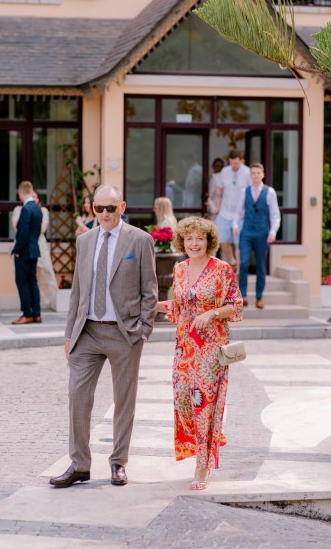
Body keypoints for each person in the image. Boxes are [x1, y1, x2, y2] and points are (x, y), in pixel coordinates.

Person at [49, 184, 158, 489]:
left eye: (111, 208)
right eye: (100, 209)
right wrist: (69, 333)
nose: (106, 214)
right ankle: (80, 465)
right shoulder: (84, 241)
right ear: (92, 209)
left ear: (122, 206)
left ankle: (118, 463)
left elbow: (149, 291)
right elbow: (78, 292)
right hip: (88, 332)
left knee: (124, 401)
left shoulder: (140, 240)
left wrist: (143, 332)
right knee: (77, 397)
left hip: (124, 333)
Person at [156, 216, 242, 491]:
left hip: (211, 347)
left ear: (209, 241)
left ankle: (202, 464)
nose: (194, 243)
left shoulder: (221, 269)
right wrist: (149, 305)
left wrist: (212, 313)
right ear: (183, 241)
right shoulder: (179, 269)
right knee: (182, 399)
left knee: (202, 403)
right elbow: (180, 307)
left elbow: (236, 304)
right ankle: (209, 437)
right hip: (184, 345)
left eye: (200, 238)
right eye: (189, 238)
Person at [233, 163, 281, 309]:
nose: (255, 175)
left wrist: (273, 232)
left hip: (262, 232)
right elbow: (238, 211)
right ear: (250, 175)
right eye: (253, 173)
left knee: (260, 265)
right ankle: (243, 296)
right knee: (244, 263)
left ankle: (259, 297)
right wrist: (235, 225)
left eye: (258, 173)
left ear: (263, 174)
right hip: (246, 231)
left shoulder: (270, 192)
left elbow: (275, 214)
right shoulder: (244, 191)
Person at [12, 191, 57, 310]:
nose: (34, 198)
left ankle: (30, 310)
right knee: (31, 279)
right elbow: (17, 228)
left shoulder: (37, 210)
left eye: (36, 196)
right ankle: (35, 311)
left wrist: (17, 250)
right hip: (31, 246)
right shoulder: (21, 209)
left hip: (32, 246)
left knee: (29, 279)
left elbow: (27, 231)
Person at [213, 149, 251, 271]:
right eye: (231, 163)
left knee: (239, 243)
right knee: (222, 239)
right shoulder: (225, 171)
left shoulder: (247, 172)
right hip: (224, 211)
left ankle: (239, 270)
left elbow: (250, 193)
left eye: (236, 163)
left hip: (240, 214)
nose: (233, 166)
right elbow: (219, 190)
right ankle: (232, 260)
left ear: (242, 161)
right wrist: (217, 207)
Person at [11, 181, 43, 325]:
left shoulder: (26, 209)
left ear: (20, 193)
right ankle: (37, 314)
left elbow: (22, 233)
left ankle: (27, 314)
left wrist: (16, 250)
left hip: (24, 252)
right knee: (33, 282)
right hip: (34, 249)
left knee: (22, 282)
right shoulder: (37, 209)